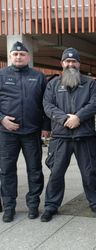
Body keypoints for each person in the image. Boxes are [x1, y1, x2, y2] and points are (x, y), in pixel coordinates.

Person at [41, 48, 96, 222]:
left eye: (74, 61)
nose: (71, 64)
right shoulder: (53, 84)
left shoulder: (90, 83)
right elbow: (47, 105)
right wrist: (64, 119)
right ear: (62, 64)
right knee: (56, 173)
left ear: (79, 63)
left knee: (90, 172)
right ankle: (50, 206)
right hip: (61, 136)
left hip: (84, 135)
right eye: (67, 61)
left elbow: (95, 103)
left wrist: (78, 117)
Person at [0, 41, 51, 222]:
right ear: (10, 57)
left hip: (32, 132)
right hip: (7, 133)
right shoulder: (1, 75)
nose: (19, 57)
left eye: (22, 54)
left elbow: (46, 104)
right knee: (6, 171)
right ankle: (9, 207)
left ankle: (32, 205)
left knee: (35, 170)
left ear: (28, 57)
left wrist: (46, 126)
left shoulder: (38, 77)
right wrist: (2, 119)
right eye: (15, 54)